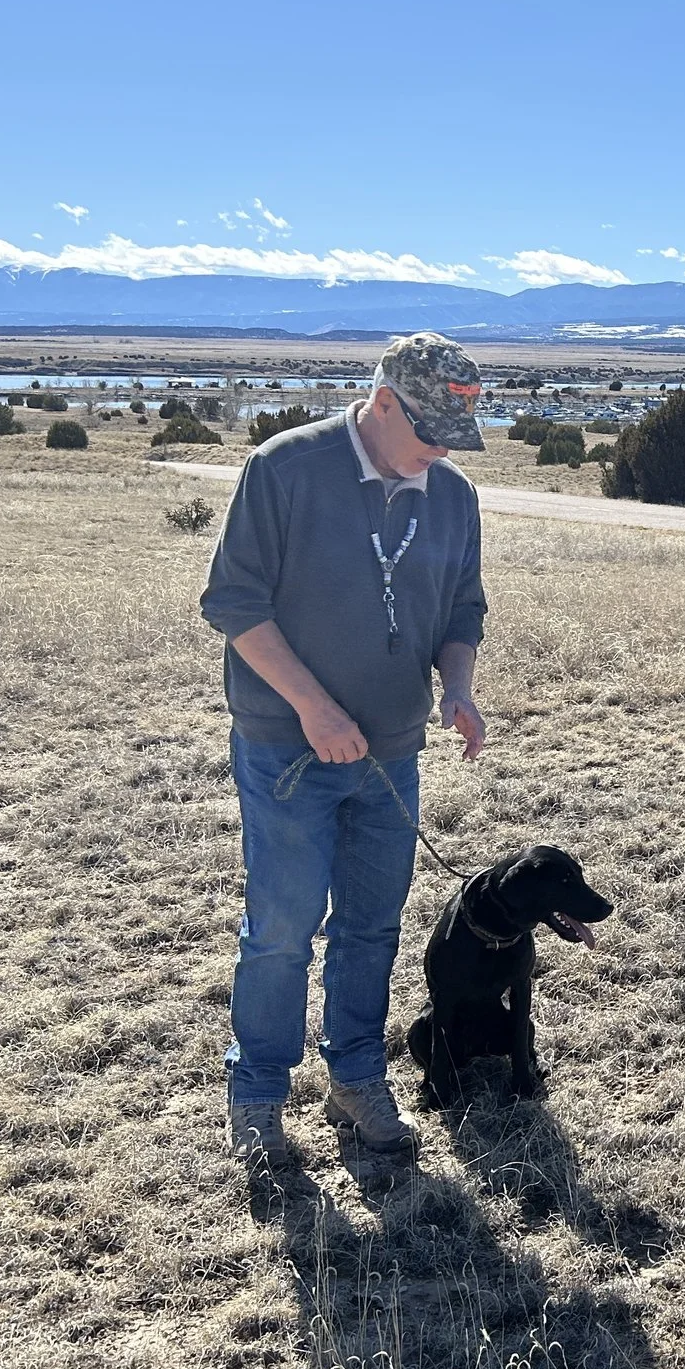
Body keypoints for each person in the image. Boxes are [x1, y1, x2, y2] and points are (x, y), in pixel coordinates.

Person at [200, 332, 490, 1168]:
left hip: (391, 756)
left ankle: (356, 1078)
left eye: (455, 437)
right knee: (282, 929)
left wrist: (458, 686)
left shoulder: (452, 495)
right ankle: (257, 1093)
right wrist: (315, 709)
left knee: (371, 927)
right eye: (429, 432)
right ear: (382, 402)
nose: (442, 452)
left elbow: (462, 608)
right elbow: (235, 604)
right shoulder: (285, 469)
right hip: (289, 753)